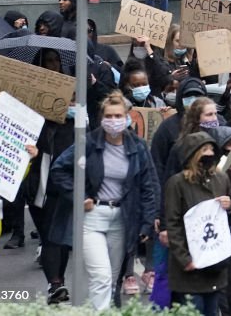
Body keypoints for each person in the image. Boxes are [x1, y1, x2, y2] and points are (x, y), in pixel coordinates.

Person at [48, 92, 158, 309]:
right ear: (101, 117)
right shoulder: (88, 143)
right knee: (101, 276)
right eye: (109, 116)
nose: (114, 121)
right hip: (93, 217)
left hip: (122, 218)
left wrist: (148, 221)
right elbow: (59, 169)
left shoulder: (137, 147)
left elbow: (148, 186)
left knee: (113, 279)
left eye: (119, 116)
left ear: (127, 117)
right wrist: (79, 197)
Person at [163, 130, 231, 316]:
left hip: (213, 265)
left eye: (211, 149)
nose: (209, 154)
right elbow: (173, 224)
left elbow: (223, 220)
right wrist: (185, 259)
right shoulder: (177, 183)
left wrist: (228, 205)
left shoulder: (221, 179)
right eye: (203, 150)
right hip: (189, 269)